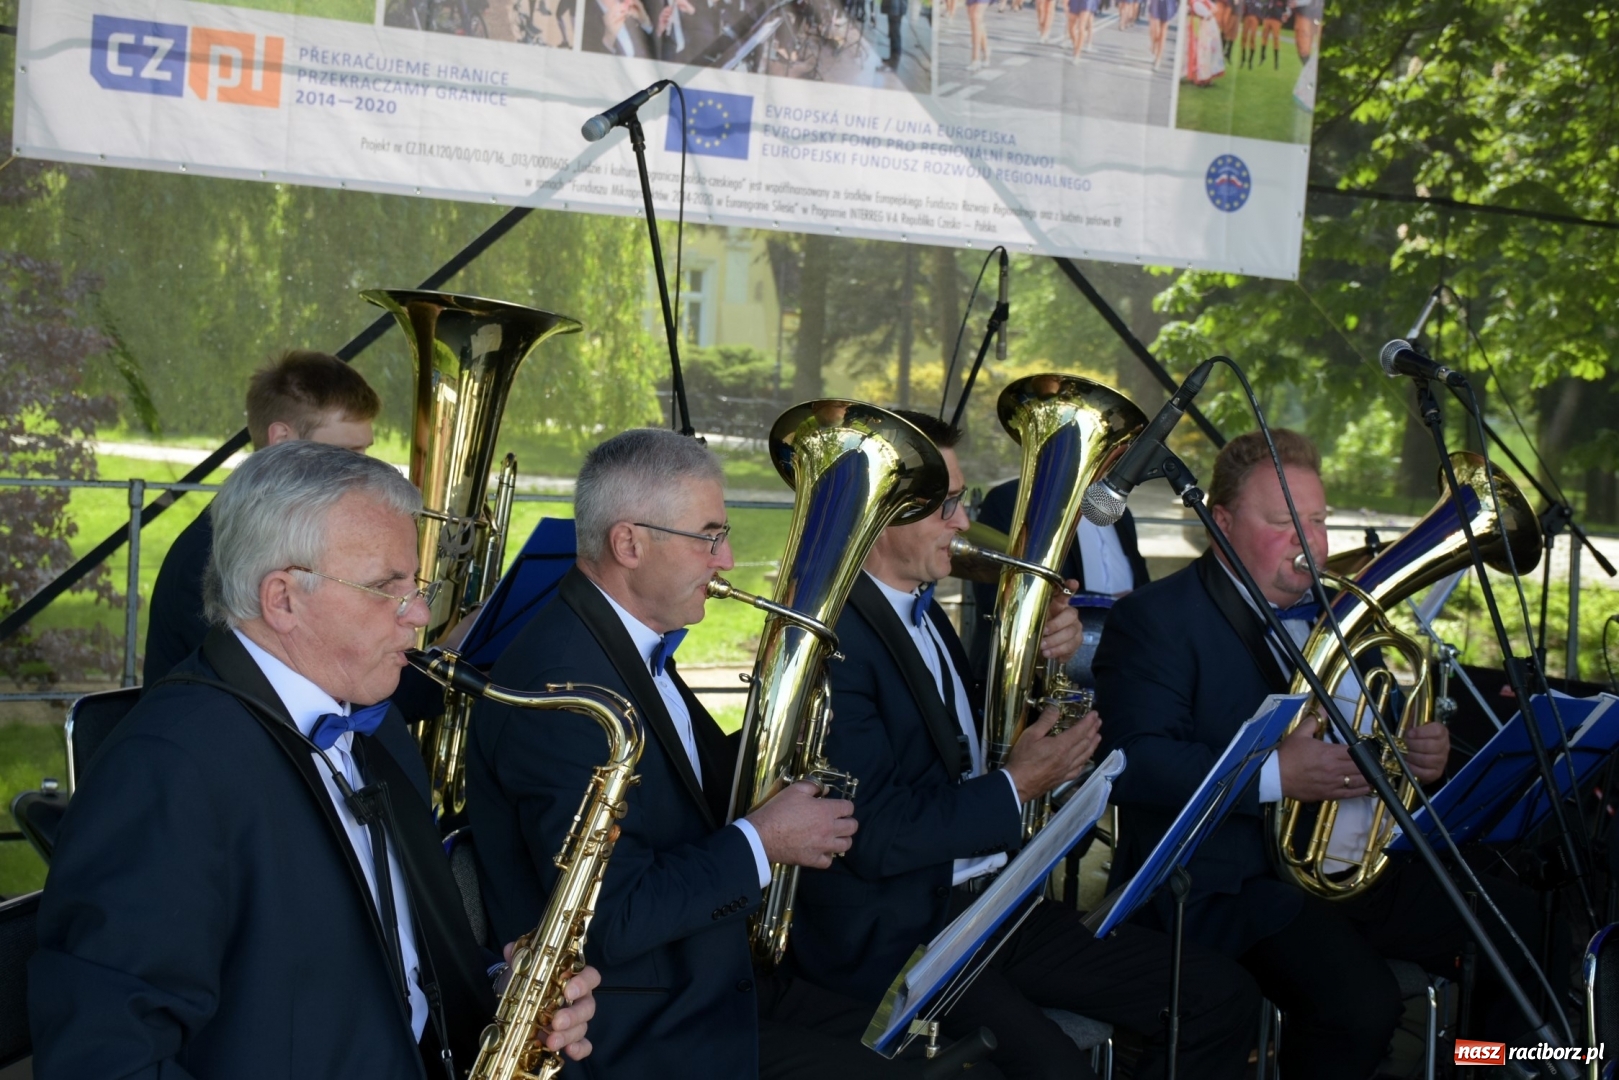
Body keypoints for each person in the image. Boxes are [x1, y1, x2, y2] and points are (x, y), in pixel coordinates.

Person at [29, 440, 599, 1078]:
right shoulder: (166, 770)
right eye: (388, 588)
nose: (419, 616)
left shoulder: (373, 725)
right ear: (283, 599)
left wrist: (505, 993)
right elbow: (102, 1058)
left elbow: (405, 964)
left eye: (417, 585)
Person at [786, 410, 1261, 1080]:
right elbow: (878, 836)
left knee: (1218, 996)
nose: (962, 521)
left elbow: (947, 746)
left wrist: (1038, 676)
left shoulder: (921, 610)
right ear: (879, 515)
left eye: (964, 500)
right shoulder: (833, 642)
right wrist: (1018, 784)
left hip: (986, 904)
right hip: (902, 934)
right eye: (945, 504)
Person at [1094, 429, 1565, 1079]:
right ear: (1221, 523)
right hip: (1224, 883)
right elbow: (1135, 764)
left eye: (1316, 520)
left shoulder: (1342, 613)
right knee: (1358, 1006)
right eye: (1283, 521)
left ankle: (1485, 1065)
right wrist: (1271, 775)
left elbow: (1373, 729)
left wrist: (1415, 755)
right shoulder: (1155, 620)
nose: (1309, 540)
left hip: (1345, 864)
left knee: (1520, 923)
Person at [468, 427, 922, 1080]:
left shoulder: (629, 639)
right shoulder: (563, 693)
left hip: (709, 980)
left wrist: (787, 723)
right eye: (709, 536)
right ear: (629, 543)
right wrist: (761, 843)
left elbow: (691, 795)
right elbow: (609, 921)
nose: (728, 559)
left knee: (928, 1041)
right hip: (641, 1031)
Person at [144, 350, 380, 684]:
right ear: (282, 440)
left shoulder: (296, 532)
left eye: (365, 452)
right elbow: (277, 691)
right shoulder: (208, 558)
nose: (362, 473)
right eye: (344, 455)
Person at [969, 479, 1149, 687]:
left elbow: (1141, 587)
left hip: (1116, 678)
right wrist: (1105, 605)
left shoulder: (1119, 512)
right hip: (1036, 684)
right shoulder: (1012, 498)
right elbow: (996, 596)